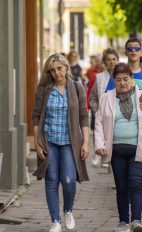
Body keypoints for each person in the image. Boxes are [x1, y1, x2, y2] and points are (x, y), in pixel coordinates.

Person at [94, 63, 142, 232]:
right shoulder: (106, 97)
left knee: (136, 185)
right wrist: (99, 144)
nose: (122, 82)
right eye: (118, 79)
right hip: (116, 150)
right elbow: (99, 122)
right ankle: (123, 222)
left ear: (132, 79)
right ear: (113, 81)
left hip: (139, 148)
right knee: (121, 187)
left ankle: (136, 221)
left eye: (126, 79)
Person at [32, 53, 90, 232]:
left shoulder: (77, 87)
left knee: (68, 179)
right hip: (49, 141)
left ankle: (68, 210)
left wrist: (86, 142)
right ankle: (55, 220)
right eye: (52, 70)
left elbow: (83, 116)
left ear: (66, 67)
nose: (56, 73)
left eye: (59, 68)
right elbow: (35, 116)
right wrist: (37, 142)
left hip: (69, 143)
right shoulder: (44, 89)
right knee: (51, 180)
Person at [90, 48, 120, 167]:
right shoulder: (99, 77)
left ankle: (110, 163)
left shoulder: (123, 76)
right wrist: (95, 109)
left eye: (114, 59)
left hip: (117, 112)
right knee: (100, 134)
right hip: (102, 112)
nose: (111, 62)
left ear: (118, 60)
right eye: (108, 60)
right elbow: (92, 96)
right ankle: (99, 154)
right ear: (104, 62)